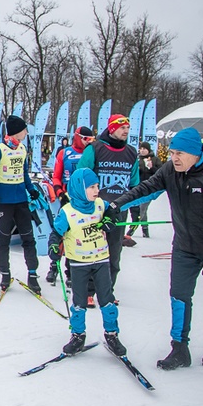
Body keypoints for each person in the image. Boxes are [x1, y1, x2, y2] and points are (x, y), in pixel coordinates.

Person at [112, 128, 203, 369]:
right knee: (179, 296)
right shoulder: (171, 170)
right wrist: (116, 205)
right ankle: (179, 348)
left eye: (179, 153)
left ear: (194, 153)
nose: (174, 158)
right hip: (185, 245)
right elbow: (147, 188)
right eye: (171, 152)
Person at [48, 168, 125, 356]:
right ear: (80, 188)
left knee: (106, 299)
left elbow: (113, 212)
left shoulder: (99, 204)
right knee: (79, 301)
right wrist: (53, 247)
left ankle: (112, 334)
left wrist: (109, 220)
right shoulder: (67, 211)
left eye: (97, 186)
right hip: (78, 263)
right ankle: (77, 335)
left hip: (101, 260)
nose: (96, 190)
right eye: (91, 187)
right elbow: (56, 233)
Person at [77, 114, 138, 291]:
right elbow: (80, 175)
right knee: (92, 248)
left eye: (127, 127)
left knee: (114, 250)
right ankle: (88, 289)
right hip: (95, 208)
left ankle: (107, 289)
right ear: (112, 129)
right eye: (122, 127)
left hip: (119, 208)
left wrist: (135, 208)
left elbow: (134, 183)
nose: (126, 131)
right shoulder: (95, 148)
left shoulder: (131, 152)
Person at [0, 115, 42, 292]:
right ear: (17, 132)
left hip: (21, 201)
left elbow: (24, 173)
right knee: (3, 239)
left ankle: (32, 274)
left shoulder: (23, 148)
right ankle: (5, 273)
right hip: (4, 201)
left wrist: (30, 188)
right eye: (24, 129)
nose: (26, 132)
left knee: (28, 238)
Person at [46, 126, 95, 284]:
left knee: (79, 235)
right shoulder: (65, 152)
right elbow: (56, 176)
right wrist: (59, 193)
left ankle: (72, 269)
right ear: (77, 137)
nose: (88, 142)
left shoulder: (92, 152)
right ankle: (54, 266)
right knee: (61, 231)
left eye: (91, 140)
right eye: (86, 139)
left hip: (84, 201)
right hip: (67, 198)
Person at [126, 141, 160, 240]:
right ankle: (145, 230)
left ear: (148, 150)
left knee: (142, 209)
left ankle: (132, 229)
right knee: (140, 209)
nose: (142, 150)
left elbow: (160, 173)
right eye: (141, 148)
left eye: (144, 149)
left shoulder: (155, 159)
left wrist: (151, 167)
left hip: (150, 189)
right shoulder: (136, 160)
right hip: (138, 188)